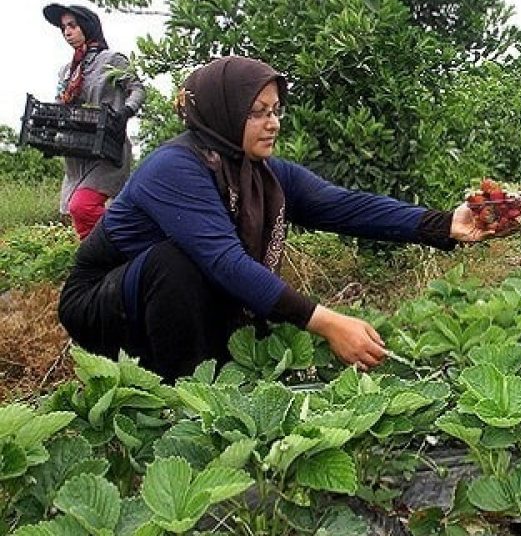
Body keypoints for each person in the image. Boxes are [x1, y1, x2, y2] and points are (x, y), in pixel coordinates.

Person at [58, 56, 489, 382]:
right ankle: (184, 395)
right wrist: (327, 323)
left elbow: (345, 206)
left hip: (160, 299)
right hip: (103, 301)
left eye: (275, 109)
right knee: (180, 263)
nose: (273, 123)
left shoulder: (260, 174)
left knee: (209, 279)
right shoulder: (173, 167)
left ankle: (220, 376)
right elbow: (225, 262)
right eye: (256, 112)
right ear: (223, 111)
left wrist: (444, 223)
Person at [43, 3, 147, 240]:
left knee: (83, 206)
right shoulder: (67, 72)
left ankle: (132, 241)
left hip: (106, 148)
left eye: (72, 25)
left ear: (87, 27)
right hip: (77, 150)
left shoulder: (112, 60)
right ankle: (96, 264)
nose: (67, 32)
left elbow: (138, 89)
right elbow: (61, 104)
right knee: (76, 213)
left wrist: (126, 112)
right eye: (63, 28)